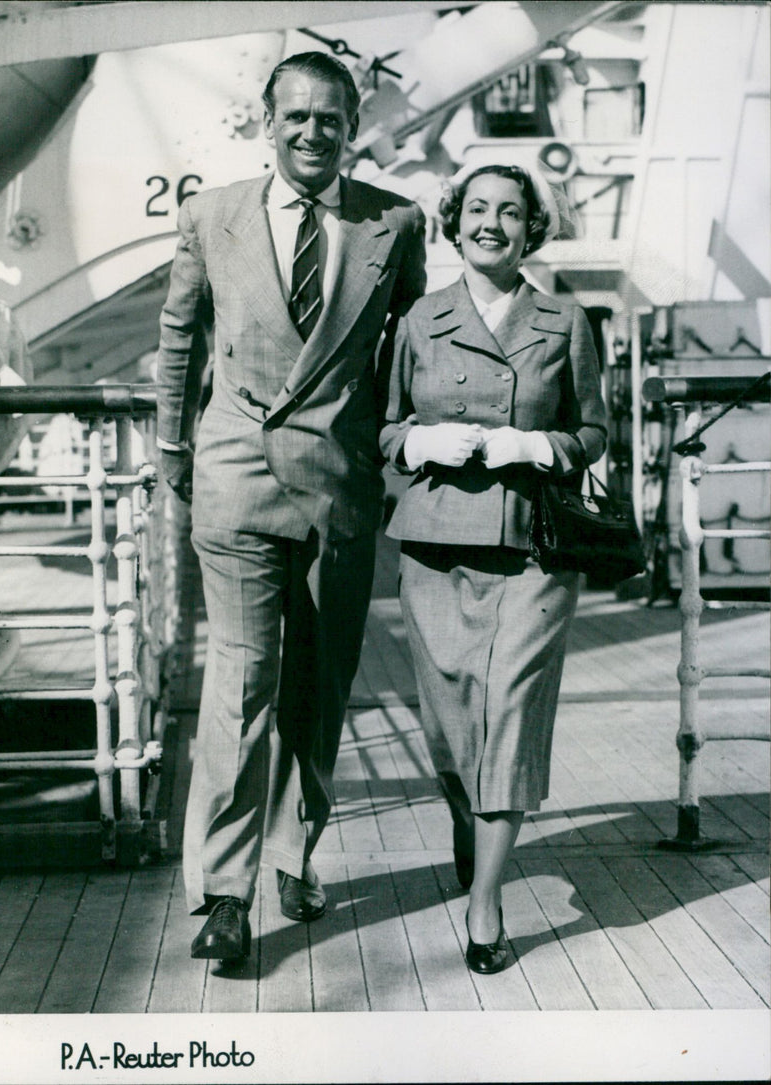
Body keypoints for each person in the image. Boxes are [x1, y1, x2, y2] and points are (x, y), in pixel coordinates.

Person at [155, 51, 426, 963]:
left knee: (319, 686)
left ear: (355, 127)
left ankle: (293, 850)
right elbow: (178, 335)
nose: (314, 133)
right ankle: (225, 892)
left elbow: (411, 350)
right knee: (239, 682)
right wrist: (169, 447)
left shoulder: (396, 223)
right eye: (297, 117)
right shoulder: (212, 215)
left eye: (331, 119)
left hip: (340, 484)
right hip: (237, 474)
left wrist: (391, 439)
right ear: (266, 123)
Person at [379, 164, 606, 974]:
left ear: (530, 231)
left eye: (510, 213)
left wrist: (538, 446)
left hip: (533, 550)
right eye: (476, 209)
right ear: (453, 221)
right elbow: (379, 427)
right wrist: (415, 441)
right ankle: (468, 818)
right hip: (436, 546)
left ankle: (485, 903)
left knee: (510, 713)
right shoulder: (418, 319)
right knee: (450, 729)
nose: (491, 224)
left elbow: (595, 431)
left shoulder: (565, 320)